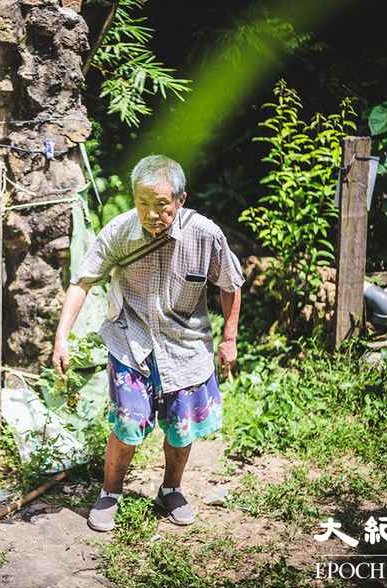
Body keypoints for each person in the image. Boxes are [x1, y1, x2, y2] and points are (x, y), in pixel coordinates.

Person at [53, 155, 245, 532]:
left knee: (181, 427)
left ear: (181, 199)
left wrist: (229, 338)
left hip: (186, 345)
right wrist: (61, 336)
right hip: (131, 340)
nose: (152, 213)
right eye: (143, 203)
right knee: (128, 423)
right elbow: (82, 282)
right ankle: (111, 492)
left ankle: (171, 489)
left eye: (162, 204)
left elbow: (230, 284)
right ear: (133, 199)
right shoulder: (119, 232)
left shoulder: (205, 235)